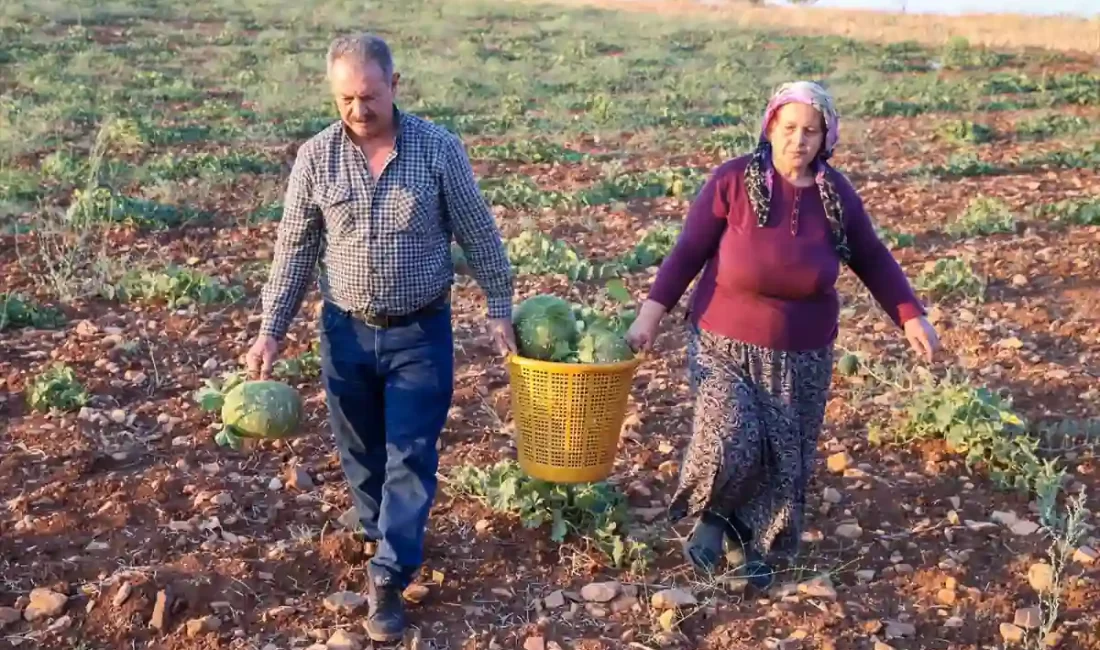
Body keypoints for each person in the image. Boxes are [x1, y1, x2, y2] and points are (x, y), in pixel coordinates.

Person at [244, 33, 516, 643]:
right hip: (344, 330)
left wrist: (499, 305)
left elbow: (478, 231)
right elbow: (295, 248)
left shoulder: (438, 149)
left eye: (369, 96)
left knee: (411, 452)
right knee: (359, 447)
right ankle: (378, 527)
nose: (358, 110)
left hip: (420, 330)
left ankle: (389, 574)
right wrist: (271, 330)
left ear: (396, 85)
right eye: (345, 99)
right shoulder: (315, 157)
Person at [625, 81, 941, 586]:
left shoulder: (836, 196)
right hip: (722, 339)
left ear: (826, 138)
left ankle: (745, 542)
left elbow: (872, 256)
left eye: (811, 131)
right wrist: (650, 314)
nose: (799, 140)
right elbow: (687, 250)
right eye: (789, 128)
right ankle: (710, 520)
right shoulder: (732, 181)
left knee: (780, 454)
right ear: (771, 126)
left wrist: (910, 314)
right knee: (731, 435)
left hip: (803, 352)